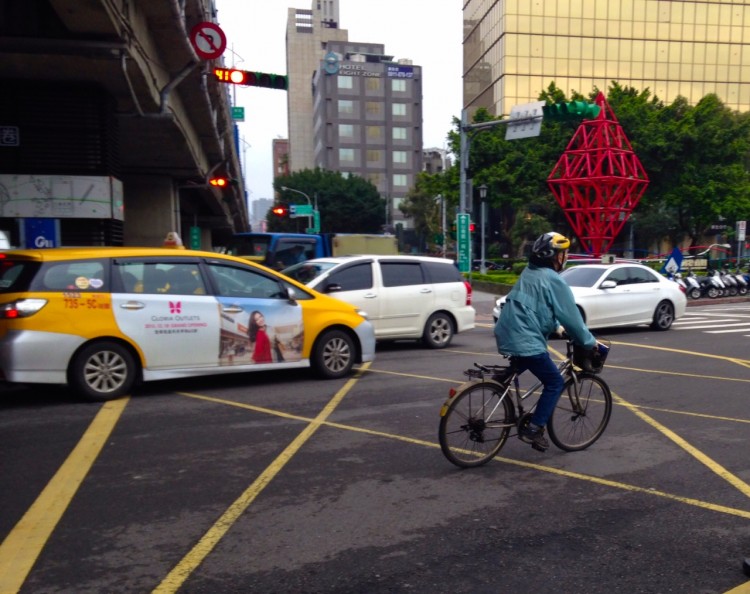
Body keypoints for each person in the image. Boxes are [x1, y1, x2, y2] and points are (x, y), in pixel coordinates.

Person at [494, 231, 597, 452]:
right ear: (554, 256)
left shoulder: (529, 272)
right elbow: (573, 320)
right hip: (525, 337)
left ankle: (503, 377)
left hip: (506, 330)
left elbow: (534, 308)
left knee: (526, 358)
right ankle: (534, 428)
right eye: (564, 253)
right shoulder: (553, 280)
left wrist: (555, 328)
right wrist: (589, 343)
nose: (565, 257)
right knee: (555, 382)